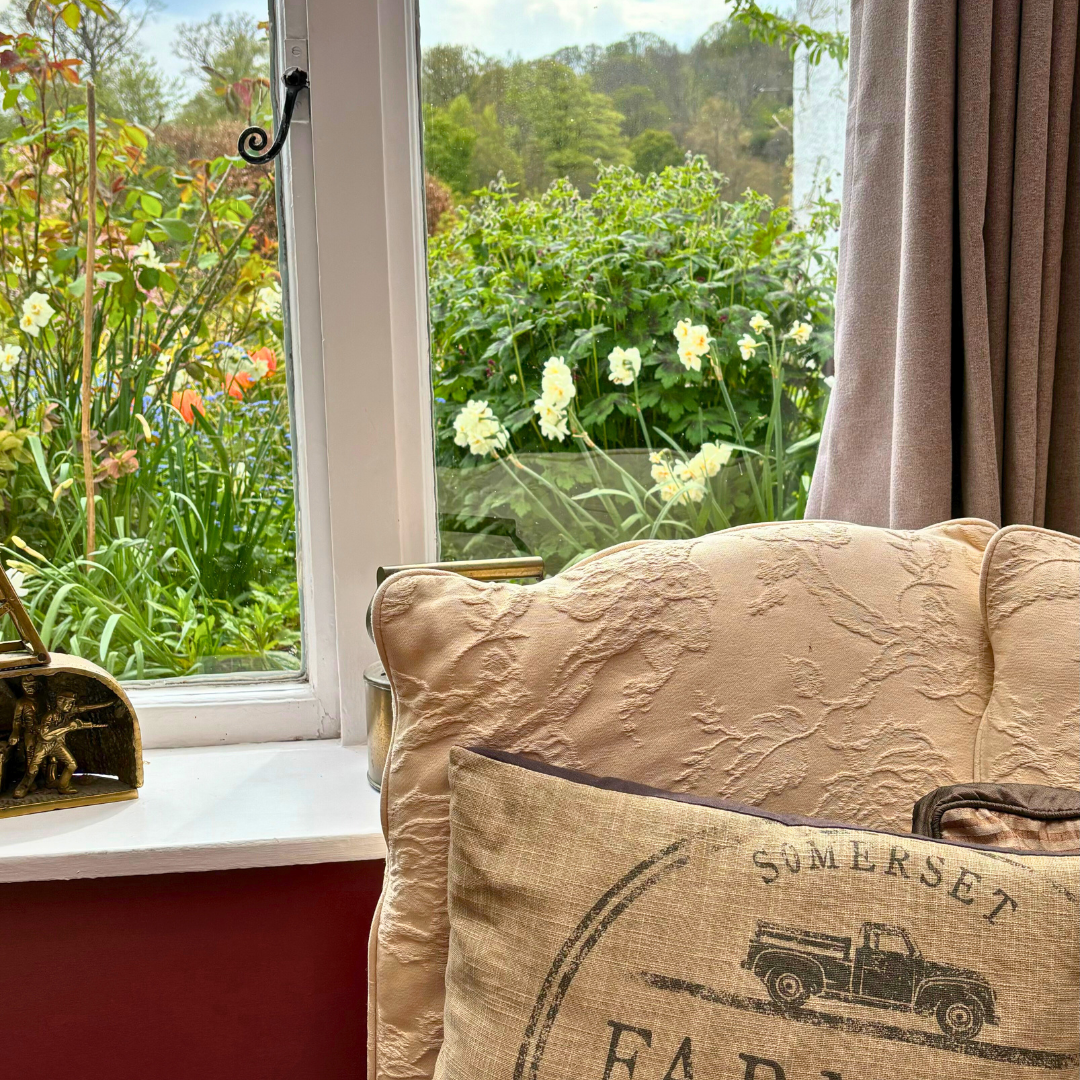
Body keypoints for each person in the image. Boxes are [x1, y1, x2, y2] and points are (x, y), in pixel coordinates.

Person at [12, 690, 109, 798]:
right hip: (43, 745)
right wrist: (67, 727)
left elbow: (84, 708)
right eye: (69, 703)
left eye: (72, 703)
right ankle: (24, 786)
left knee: (72, 764)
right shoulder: (49, 716)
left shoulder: (67, 713)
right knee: (33, 768)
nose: (71, 706)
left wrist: (106, 704)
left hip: (57, 744)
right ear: (60, 702)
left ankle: (63, 786)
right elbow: (45, 735)